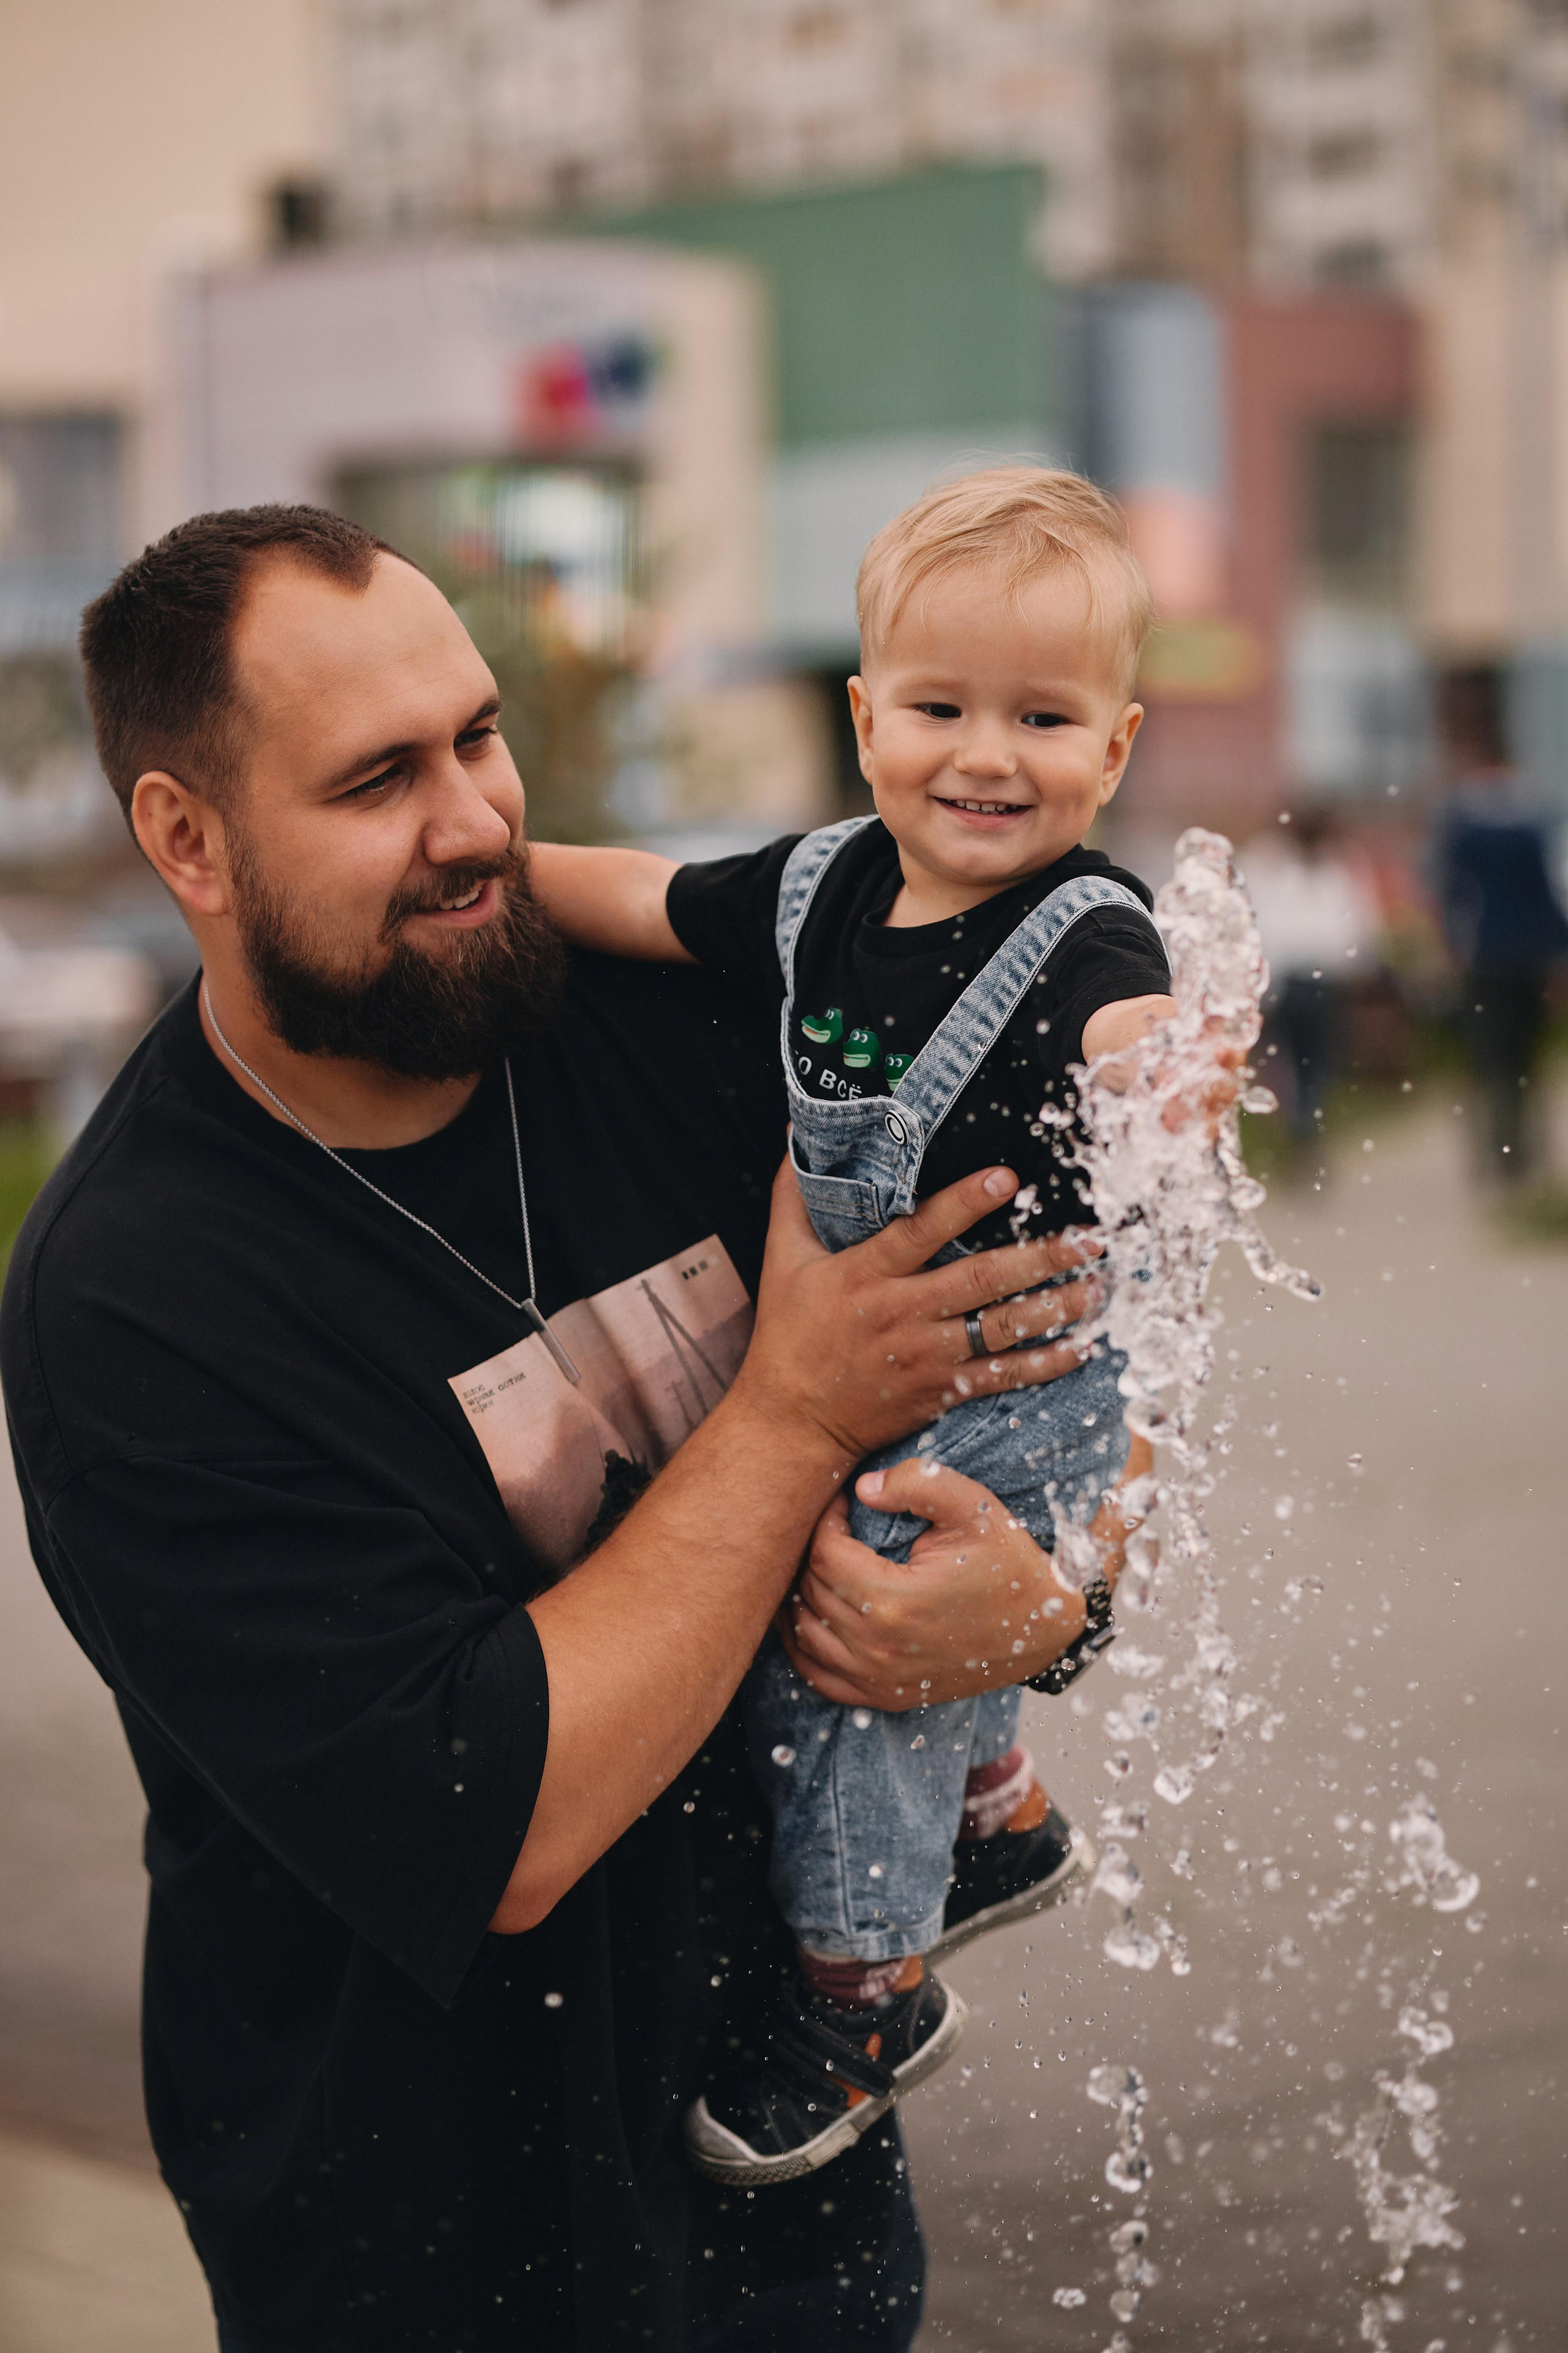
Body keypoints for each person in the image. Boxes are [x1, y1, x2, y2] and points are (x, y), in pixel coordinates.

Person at [0, 505, 1143, 2353]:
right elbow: (497, 1808)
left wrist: (1053, 1600)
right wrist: (791, 1403)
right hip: (422, 2251)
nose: (473, 819)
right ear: (185, 839)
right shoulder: (136, 1298)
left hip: (799, 2191)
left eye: (476, 734)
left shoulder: (679, 1022)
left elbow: (1061, 1339)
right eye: (378, 777)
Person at [531, 467, 1211, 2187]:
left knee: (843, 1644)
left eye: (1044, 717)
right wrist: (494, 864)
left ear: (1115, 750)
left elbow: (1135, 1030)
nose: (988, 756)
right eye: (942, 707)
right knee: (837, 1594)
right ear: (864, 718)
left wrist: (1180, 1072)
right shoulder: (814, 895)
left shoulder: (1082, 931)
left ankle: (861, 1991)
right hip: (891, 1372)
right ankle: (994, 1819)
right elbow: (641, 896)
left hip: (1017, 1385)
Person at [1430, 665, 1568, 1182]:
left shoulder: (1462, 816)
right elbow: (1547, 892)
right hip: (1529, 952)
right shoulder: (1529, 812)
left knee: (1492, 1058)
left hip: (1486, 952)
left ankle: (1498, 1152)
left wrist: (1449, 947)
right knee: (1528, 1060)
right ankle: (1524, 1153)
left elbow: (1449, 890)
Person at [1241, 806, 1381, 1161]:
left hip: (1309, 982)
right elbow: (1354, 930)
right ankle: (1302, 1125)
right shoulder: (1274, 865)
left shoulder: (1330, 867)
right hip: (1295, 982)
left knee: (1306, 1061)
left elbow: (1354, 929)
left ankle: (1302, 1127)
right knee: (1303, 1061)